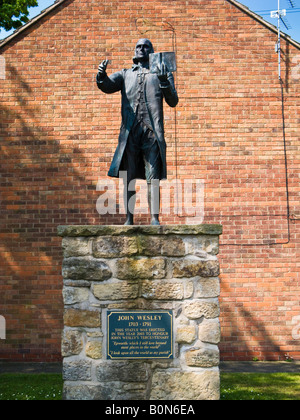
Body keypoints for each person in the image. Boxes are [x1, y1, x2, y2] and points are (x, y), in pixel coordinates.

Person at [96, 39, 178, 225]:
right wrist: (101, 75)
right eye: (138, 47)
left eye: (145, 46)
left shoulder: (161, 73)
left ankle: (154, 219)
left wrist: (165, 80)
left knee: (153, 178)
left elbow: (173, 100)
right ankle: (129, 219)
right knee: (129, 177)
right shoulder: (125, 74)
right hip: (130, 133)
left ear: (152, 52)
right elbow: (107, 85)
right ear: (135, 51)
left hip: (152, 134)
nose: (141, 49)